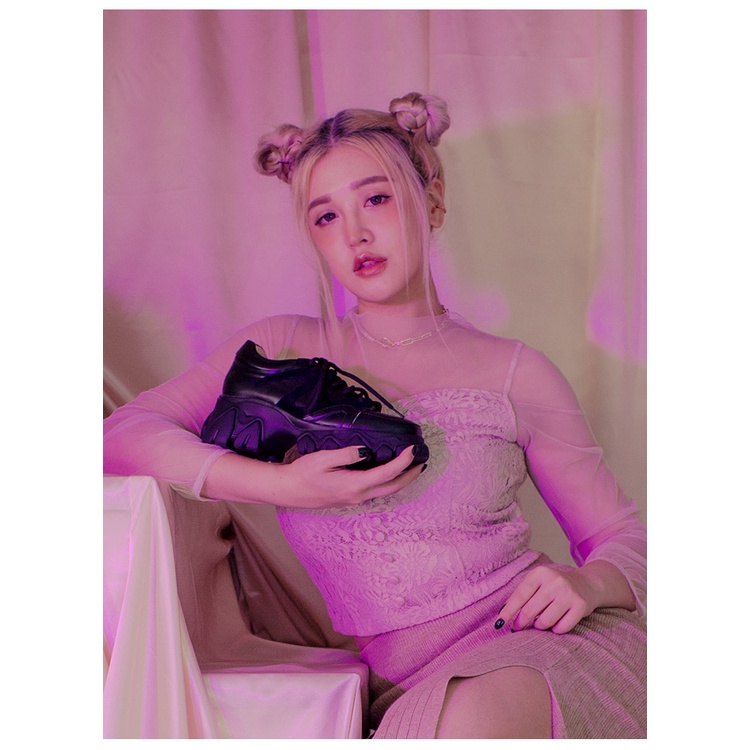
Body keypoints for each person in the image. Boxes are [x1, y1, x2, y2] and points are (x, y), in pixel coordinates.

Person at [103, 92, 646, 739]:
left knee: (473, 717)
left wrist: (592, 585)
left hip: (535, 644)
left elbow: (622, 536)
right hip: (405, 685)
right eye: (326, 216)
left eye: (377, 199)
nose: (354, 234)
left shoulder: (515, 371)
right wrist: (281, 485)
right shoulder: (282, 349)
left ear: (433, 200)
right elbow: (120, 437)